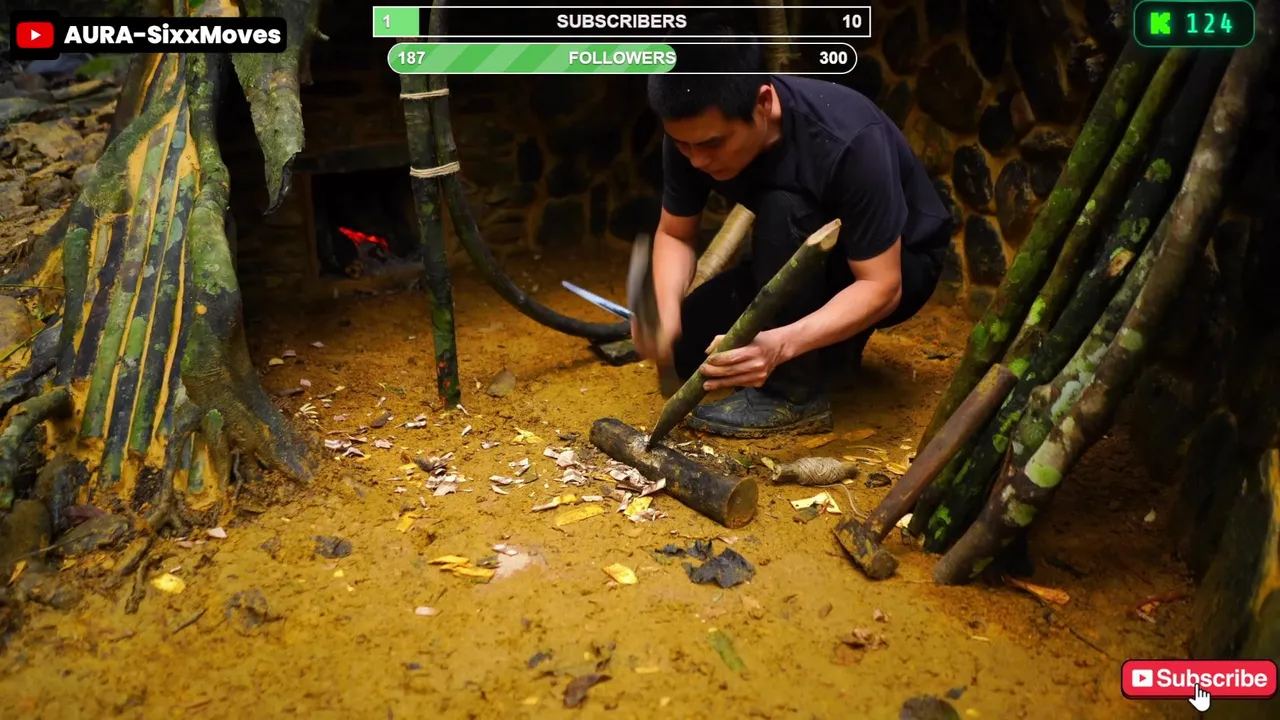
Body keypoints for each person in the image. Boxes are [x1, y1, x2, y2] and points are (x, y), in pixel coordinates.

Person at [633, 22, 954, 439]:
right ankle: (832, 353)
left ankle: (790, 396)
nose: (696, 161)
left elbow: (882, 286)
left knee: (785, 204)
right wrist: (665, 308)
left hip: (897, 265)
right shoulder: (691, 131)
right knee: (690, 348)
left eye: (712, 144)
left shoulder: (849, 139)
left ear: (763, 102)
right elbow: (675, 234)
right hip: (795, 256)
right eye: (682, 145)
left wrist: (780, 345)